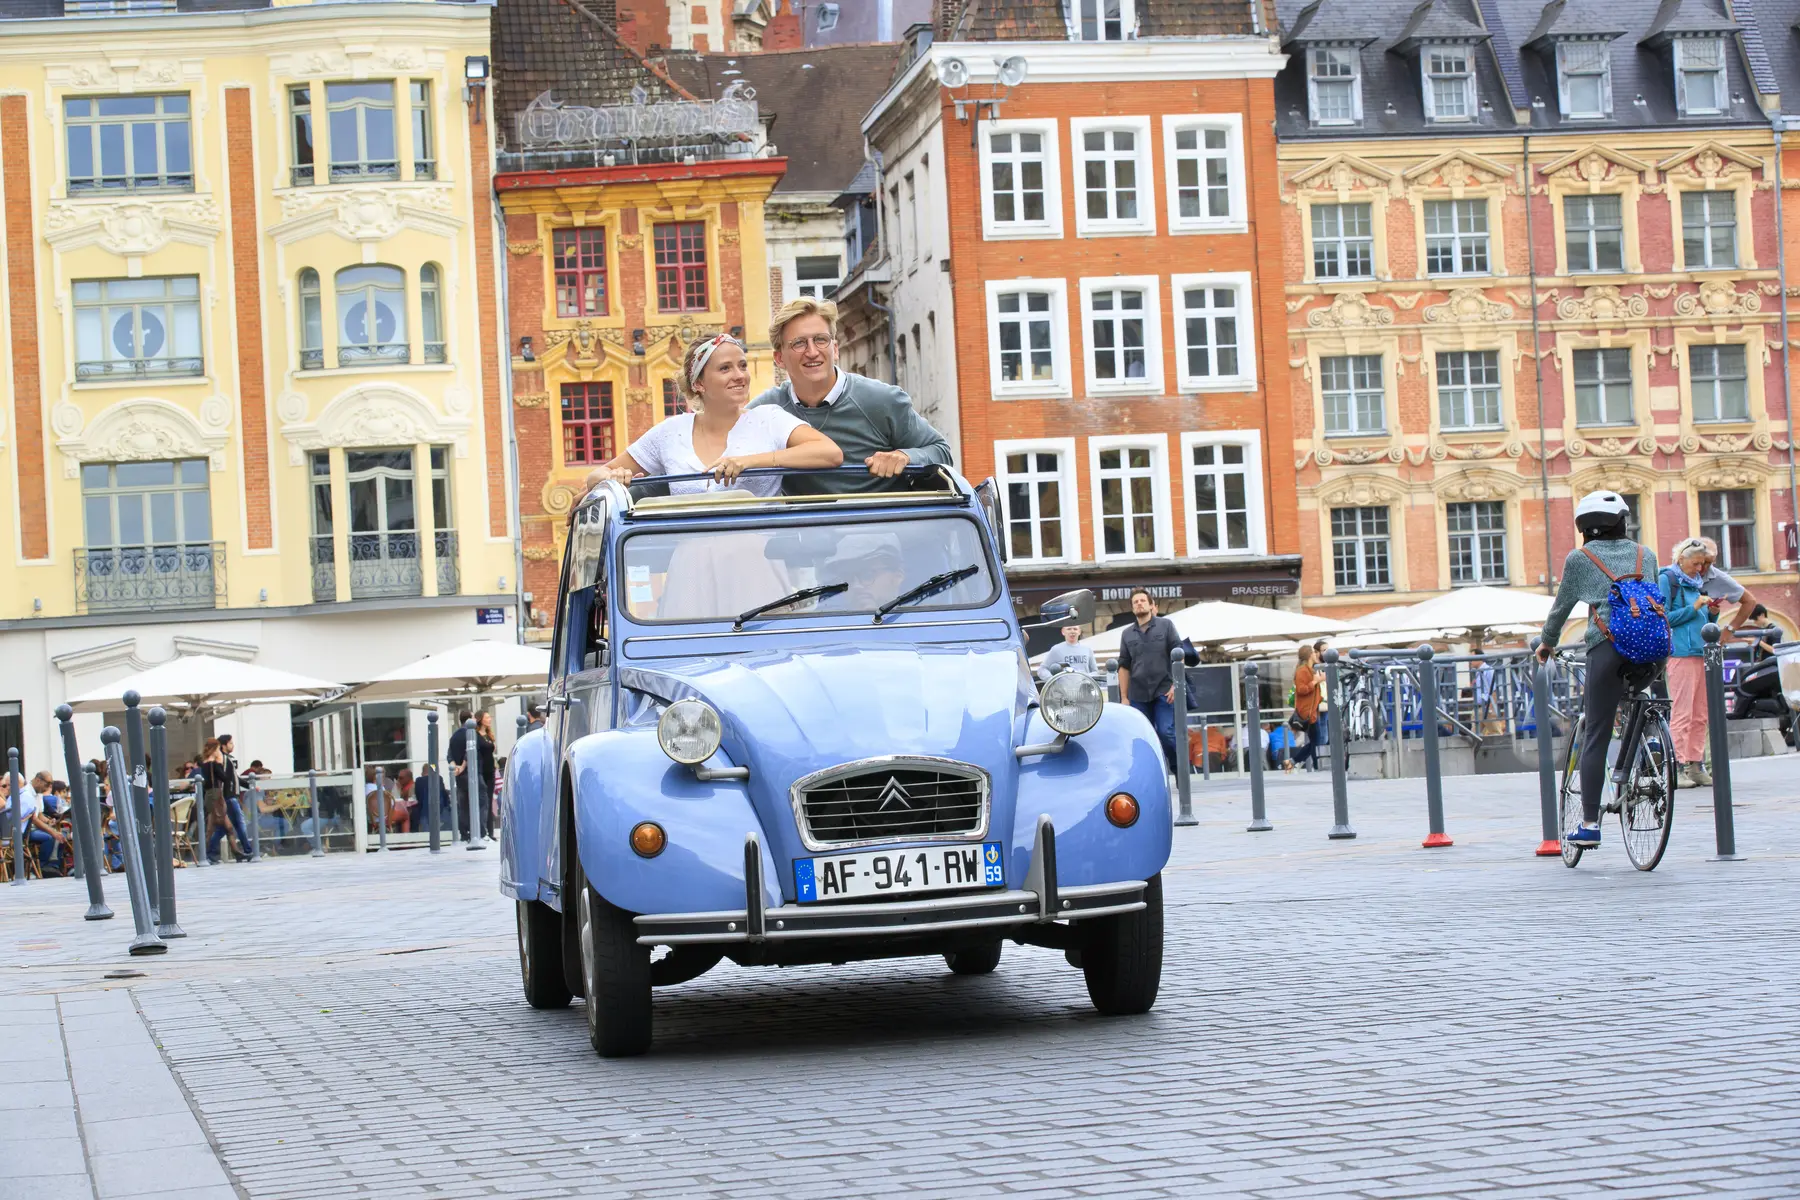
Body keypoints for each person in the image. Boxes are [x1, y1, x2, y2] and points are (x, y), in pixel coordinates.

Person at [1537, 490, 1665, 847]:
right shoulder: (1645, 554)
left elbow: (1561, 608)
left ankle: (1590, 825)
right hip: (1654, 648)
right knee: (1638, 694)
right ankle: (1650, 739)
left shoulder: (1580, 559)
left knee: (1596, 731)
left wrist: (1547, 642)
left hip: (1607, 647)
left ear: (1585, 527)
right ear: (1623, 521)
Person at [586, 334, 842, 496]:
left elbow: (830, 453)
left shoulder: (769, 419)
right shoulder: (670, 432)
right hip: (690, 561)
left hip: (758, 557)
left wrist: (751, 462)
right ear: (699, 383)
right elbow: (596, 476)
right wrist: (611, 477)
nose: (740, 375)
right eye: (725, 368)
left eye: (742, 365)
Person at [749, 298, 954, 494]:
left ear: (835, 349)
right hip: (804, 519)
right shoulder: (764, 412)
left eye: (820, 340)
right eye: (799, 343)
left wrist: (906, 456)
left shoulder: (881, 400)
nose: (812, 352)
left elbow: (941, 451)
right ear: (779, 358)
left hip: (882, 517)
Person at [1661, 538, 1717, 789]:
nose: (1700, 569)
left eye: (1702, 564)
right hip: (1681, 653)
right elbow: (1664, 618)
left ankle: (1696, 764)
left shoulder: (1695, 584)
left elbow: (1702, 621)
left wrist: (1712, 613)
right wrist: (1695, 607)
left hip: (1700, 652)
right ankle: (1678, 766)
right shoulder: (1668, 579)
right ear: (1681, 559)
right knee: (1682, 713)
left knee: (1700, 713)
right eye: (1695, 563)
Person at [1114, 588, 1182, 774]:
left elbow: (1179, 655)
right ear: (1132, 608)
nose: (1139, 604)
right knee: (1142, 739)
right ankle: (1152, 776)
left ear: (1152, 605)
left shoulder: (1166, 625)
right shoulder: (1127, 634)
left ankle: (1178, 770)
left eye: (1143, 601)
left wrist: (1176, 685)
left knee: (1166, 733)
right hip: (1137, 694)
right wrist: (1124, 697)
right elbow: (1124, 666)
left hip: (1164, 690)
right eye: (1135, 602)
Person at [201, 737, 251, 864]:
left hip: (214, 796)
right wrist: (219, 763)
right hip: (216, 796)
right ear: (214, 749)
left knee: (227, 827)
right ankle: (207, 855)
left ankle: (236, 853)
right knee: (213, 828)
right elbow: (224, 778)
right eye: (217, 749)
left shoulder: (206, 763)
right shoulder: (212, 763)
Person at [448, 712, 497, 839]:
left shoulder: (454, 736)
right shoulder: (471, 733)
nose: (475, 719)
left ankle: (465, 834)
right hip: (473, 772)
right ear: (469, 720)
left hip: (459, 775)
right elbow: (469, 751)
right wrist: (463, 767)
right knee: (482, 800)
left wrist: (455, 767)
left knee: (463, 804)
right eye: (473, 717)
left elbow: (449, 755)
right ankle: (481, 832)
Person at [1290, 644, 1323, 773]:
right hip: (1307, 712)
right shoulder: (1302, 671)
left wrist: (1319, 680)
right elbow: (1301, 689)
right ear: (1309, 655)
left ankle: (1296, 761)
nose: (1316, 654)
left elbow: (1314, 693)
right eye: (1314, 652)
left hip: (1312, 711)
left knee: (1316, 740)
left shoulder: (1310, 669)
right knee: (1317, 741)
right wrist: (1315, 682)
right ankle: (1298, 761)